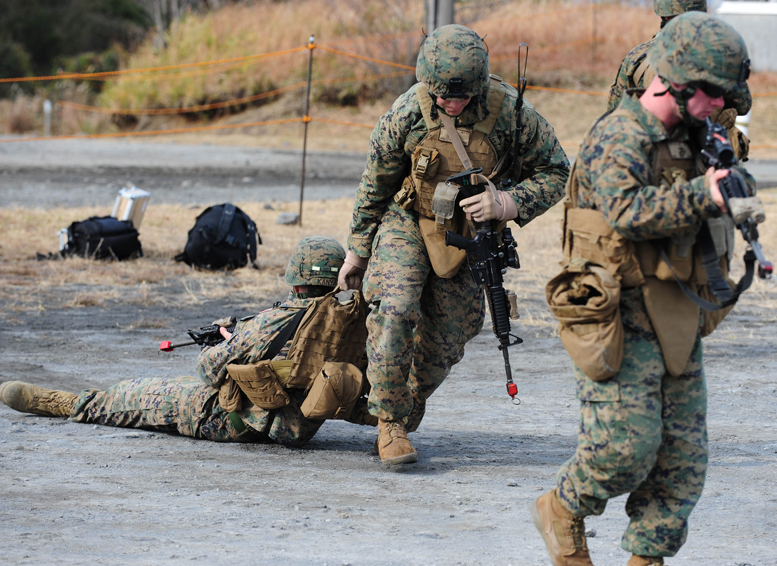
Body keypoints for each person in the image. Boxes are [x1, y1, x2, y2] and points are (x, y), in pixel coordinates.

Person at [532, 12, 762, 566]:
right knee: (621, 451)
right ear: (677, 82)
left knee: (682, 460)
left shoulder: (699, 134)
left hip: (678, 309)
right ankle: (563, 508)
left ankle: (646, 558)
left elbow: (736, 195)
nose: (719, 109)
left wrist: (743, 202)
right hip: (617, 309)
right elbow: (628, 212)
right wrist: (705, 197)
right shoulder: (618, 135)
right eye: (712, 96)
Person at [337, 24, 570, 465]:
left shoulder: (511, 113)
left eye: (460, 96)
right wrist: (357, 250)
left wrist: (508, 201)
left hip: (472, 234)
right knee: (397, 305)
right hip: (408, 219)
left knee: (451, 334)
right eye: (443, 95)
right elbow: (375, 184)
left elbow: (557, 172)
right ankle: (390, 422)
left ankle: (405, 403)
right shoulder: (407, 113)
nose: (451, 103)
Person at [0, 236, 376, 446]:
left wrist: (225, 341)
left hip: (232, 418)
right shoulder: (353, 320)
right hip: (297, 424)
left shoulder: (278, 320)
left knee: (137, 394)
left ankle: (65, 404)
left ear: (296, 281)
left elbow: (210, 370)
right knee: (169, 387)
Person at [607, 0, 751, 160]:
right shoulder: (713, 54)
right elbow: (743, 104)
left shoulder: (636, 57)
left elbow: (614, 109)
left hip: (651, 154)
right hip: (701, 153)